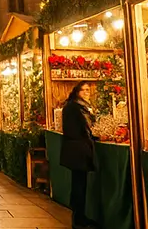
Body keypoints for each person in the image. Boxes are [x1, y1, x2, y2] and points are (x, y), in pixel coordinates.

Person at [58, 80, 98, 229]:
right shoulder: (76, 107)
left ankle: (79, 216)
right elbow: (84, 127)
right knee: (79, 184)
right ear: (77, 92)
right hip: (78, 150)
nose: (87, 93)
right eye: (84, 90)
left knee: (79, 183)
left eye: (88, 90)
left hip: (77, 149)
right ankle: (78, 218)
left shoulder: (78, 106)